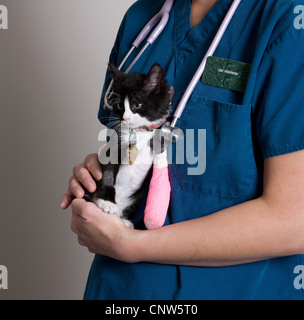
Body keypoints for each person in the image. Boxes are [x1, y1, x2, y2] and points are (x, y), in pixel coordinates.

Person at [61, 0, 304, 300]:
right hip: (120, 290)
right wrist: (97, 177)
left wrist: (130, 245)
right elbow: (126, 142)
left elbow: (295, 220)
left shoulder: (288, 20)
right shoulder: (142, 18)